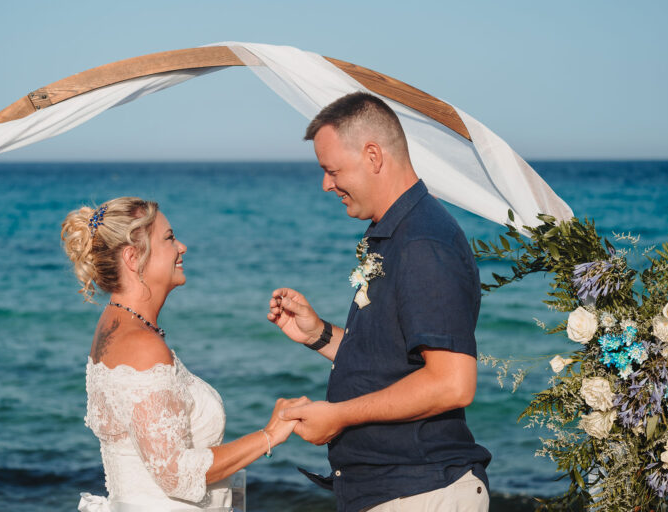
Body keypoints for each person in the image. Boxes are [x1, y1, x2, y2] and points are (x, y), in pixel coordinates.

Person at [267, 93, 492, 512]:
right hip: (394, 491)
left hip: (420, 491)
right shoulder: (398, 233)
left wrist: (339, 416)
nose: (326, 185)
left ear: (373, 155)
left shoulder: (422, 242)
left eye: (332, 170)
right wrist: (318, 335)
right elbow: (390, 360)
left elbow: (452, 383)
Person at [61, 197, 307, 512]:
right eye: (169, 238)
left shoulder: (113, 324)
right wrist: (269, 435)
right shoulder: (141, 345)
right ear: (134, 257)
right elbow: (175, 474)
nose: (182, 247)